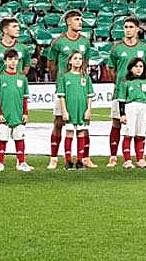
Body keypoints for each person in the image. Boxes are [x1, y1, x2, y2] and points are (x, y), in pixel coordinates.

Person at [0, 17, 32, 172]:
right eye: (14, 26)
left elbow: (27, 66)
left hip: (16, 94)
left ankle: (20, 161)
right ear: (5, 30)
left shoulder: (23, 48)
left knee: (19, 127)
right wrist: (0, 82)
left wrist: (16, 81)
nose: (18, 29)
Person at [104, 16, 146, 167]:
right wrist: (120, 84)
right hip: (120, 92)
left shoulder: (144, 49)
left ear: (137, 29)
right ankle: (113, 156)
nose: (128, 30)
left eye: (131, 27)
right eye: (125, 27)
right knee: (117, 123)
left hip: (139, 96)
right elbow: (111, 70)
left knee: (139, 128)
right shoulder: (117, 48)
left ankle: (139, 157)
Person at [48, 10, 92, 169]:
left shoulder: (85, 42)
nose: (80, 22)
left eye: (80, 19)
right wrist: (60, 81)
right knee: (59, 122)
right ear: (68, 22)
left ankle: (85, 158)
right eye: (76, 19)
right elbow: (51, 65)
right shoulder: (58, 42)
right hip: (64, 89)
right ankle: (54, 158)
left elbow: (85, 62)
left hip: (80, 89)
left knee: (84, 124)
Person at [0, 49, 31, 172]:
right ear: (5, 61)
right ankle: (0, 163)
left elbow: (25, 98)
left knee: (20, 138)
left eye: (15, 59)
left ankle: (21, 162)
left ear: (18, 61)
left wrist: (25, 113)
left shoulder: (22, 78)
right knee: (2, 139)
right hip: (4, 115)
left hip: (18, 115)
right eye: (10, 59)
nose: (13, 62)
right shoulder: (0, 78)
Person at [56, 49, 94, 170]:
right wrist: (64, 111)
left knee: (81, 132)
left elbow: (89, 96)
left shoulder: (86, 78)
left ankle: (79, 161)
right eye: (75, 58)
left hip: (82, 110)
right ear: (70, 61)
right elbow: (62, 96)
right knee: (69, 133)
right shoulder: (64, 77)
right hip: (70, 111)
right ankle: (68, 162)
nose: (78, 61)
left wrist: (88, 110)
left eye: (80, 59)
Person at [117, 57, 146, 169]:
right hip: (130, 107)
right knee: (128, 134)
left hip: (143, 107)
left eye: (141, 66)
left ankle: (140, 159)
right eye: (136, 66)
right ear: (130, 68)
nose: (139, 69)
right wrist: (122, 114)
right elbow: (122, 100)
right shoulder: (126, 82)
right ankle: (127, 160)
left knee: (140, 134)